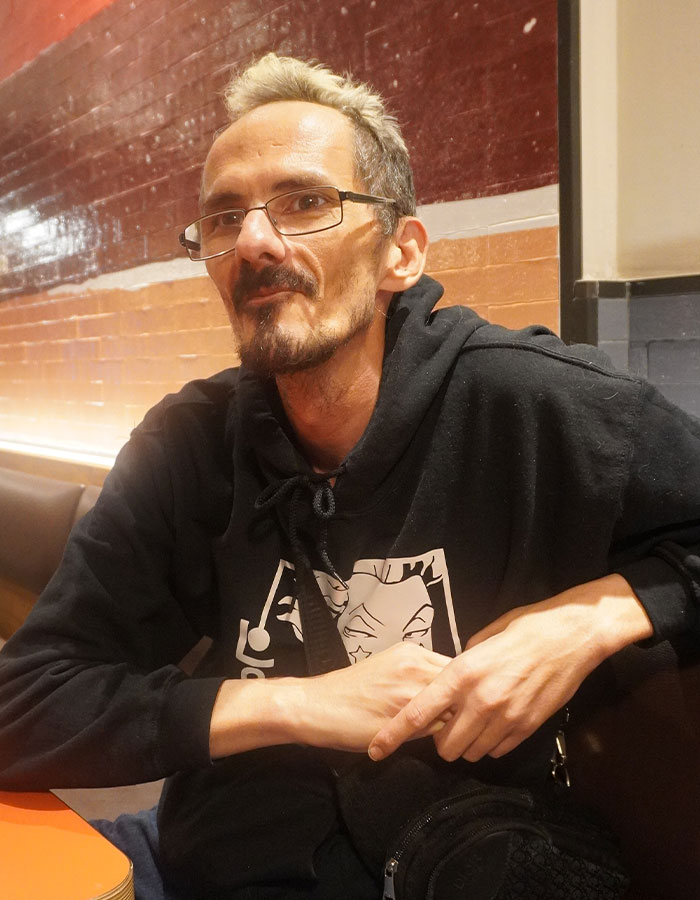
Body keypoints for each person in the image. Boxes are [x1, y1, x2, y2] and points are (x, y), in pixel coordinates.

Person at [1, 53, 699, 900]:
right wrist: (299, 703)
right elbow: (24, 706)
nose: (255, 240)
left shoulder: (534, 405)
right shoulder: (187, 446)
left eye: (304, 202)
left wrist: (590, 619)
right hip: (203, 864)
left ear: (400, 252)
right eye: (224, 218)